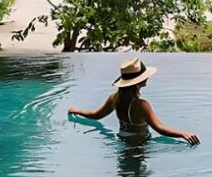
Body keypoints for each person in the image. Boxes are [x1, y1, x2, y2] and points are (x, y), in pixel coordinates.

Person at [68, 58, 201, 145]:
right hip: (140, 144)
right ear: (138, 81)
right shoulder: (142, 105)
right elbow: (159, 128)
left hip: (121, 140)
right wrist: (183, 134)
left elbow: (95, 115)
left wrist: (76, 110)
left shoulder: (114, 98)